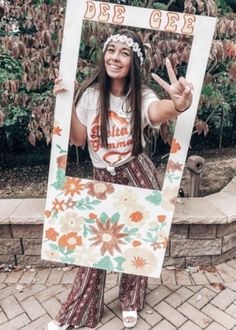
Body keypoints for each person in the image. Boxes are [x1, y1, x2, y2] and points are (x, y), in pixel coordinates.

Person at [47, 29, 193, 330]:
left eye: (124, 53)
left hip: (138, 174)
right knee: (94, 251)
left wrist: (178, 104)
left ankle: (130, 300)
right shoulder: (89, 94)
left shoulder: (141, 96)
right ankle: (78, 311)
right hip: (102, 178)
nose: (115, 57)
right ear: (104, 55)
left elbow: (158, 111)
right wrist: (65, 102)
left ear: (134, 62)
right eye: (111, 50)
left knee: (137, 245)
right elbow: (77, 138)